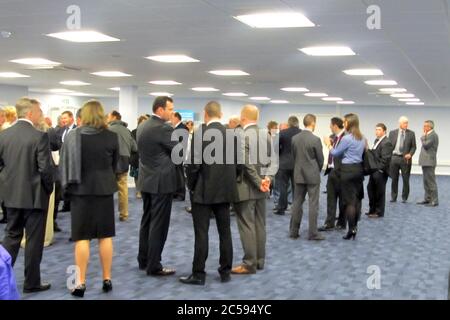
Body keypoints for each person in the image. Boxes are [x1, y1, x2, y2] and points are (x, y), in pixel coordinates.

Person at [60, 100, 119, 297]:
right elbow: (115, 166)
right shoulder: (111, 137)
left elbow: (64, 164)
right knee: (105, 236)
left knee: (82, 238)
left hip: (80, 191)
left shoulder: (73, 137)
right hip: (103, 190)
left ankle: (81, 282)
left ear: (83, 115)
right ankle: (107, 278)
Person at [180, 101, 237, 285]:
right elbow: (239, 165)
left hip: (203, 191)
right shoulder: (232, 135)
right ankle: (225, 272)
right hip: (225, 190)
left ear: (205, 114)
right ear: (220, 114)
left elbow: (193, 166)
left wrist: (192, 186)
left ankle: (198, 274)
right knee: (225, 232)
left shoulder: (199, 134)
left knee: (201, 233)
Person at [0, 97, 53, 293]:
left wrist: (7, 185)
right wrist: (48, 189)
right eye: (39, 111)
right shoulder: (39, 136)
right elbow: (46, 169)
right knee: (33, 240)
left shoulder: (3, 136)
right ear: (29, 113)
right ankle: (31, 283)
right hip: (35, 197)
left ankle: (1, 275)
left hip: (12, 196)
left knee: (11, 236)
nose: (41, 115)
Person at [137, 96, 178, 276]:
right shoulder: (163, 128)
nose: (172, 112)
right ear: (160, 110)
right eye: (169, 109)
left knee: (147, 220)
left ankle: (144, 259)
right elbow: (180, 152)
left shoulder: (143, 125)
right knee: (159, 225)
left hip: (146, 180)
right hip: (161, 182)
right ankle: (154, 265)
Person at [232, 104, 272, 275]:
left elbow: (245, 164)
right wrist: (267, 180)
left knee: (247, 225)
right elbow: (272, 161)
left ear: (243, 118)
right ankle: (259, 260)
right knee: (260, 224)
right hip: (262, 187)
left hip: (246, 187)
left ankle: (249, 263)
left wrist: (258, 182)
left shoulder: (241, 135)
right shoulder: (266, 135)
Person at [325, 113, 365, 240]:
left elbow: (336, 153)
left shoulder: (347, 138)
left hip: (347, 171)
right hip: (358, 170)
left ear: (349, 123)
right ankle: (354, 227)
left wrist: (328, 144)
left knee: (349, 202)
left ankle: (351, 229)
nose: (344, 124)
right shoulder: (362, 138)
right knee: (355, 200)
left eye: (345, 122)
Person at [289, 114, 325, 241]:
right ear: (313, 123)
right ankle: (313, 233)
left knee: (297, 203)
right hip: (313, 176)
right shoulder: (315, 139)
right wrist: (317, 170)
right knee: (313, 204)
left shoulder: (294, 138)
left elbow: (294, 156)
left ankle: (293, 231)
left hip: (298, 174)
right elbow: (321, 160)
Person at [107, 110, 137, 222]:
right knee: (123, 187)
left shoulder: (108, 130)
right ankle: (124, 214)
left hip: (111, 160)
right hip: (124, 160)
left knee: (107, 188)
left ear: (114, 117)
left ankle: (107, 214)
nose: (107, 118)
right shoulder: (127, 131)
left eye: (108, 116)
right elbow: (135, 148)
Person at [319, 117, 346, 231]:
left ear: (335, 125)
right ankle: (329, 223)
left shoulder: (345, 137)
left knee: (342, 199)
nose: (329, 127)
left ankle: (341, 222)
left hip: (342, 172)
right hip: (332, 171)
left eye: (330, 125)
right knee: (331, 198)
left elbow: (339, 153)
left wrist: (328, 145)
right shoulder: (334, 137)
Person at [274, 116, 301, 215]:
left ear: (289, 123)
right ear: (297, 123)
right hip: (297, 163)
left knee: (283, 187)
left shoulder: (283, 132)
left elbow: (275, 147)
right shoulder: (302, 133)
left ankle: (281, 208)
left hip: (284, 163)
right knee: (296, 187)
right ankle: (296, 208)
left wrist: (281, 154)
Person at [366, 123, 394, 218]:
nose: (376, 131)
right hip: (373, 170)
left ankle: (379, 212)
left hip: (380, 171)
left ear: (384, 131)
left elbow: (385, 160)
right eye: (376, 129)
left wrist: (379, 170)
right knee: (370, 189)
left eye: (379, 130)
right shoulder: (377, 141)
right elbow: (374, 155)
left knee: (379, 192)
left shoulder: (387, 142)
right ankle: (372, 209)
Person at [388, 116, 416, 203]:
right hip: (394, 158)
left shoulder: (411, 133)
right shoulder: (392, 133)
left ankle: (404, 197)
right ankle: (393, 197)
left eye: (407, 123)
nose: (406, 125)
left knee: (406, 179)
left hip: (405, 159)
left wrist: (410, 154)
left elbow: (414, 147)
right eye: (404, 123)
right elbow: (388, 146)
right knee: (394, 179)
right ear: (400, 123)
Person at [417, 120, 439, 207]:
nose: (423, 127)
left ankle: (434, 201)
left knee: (431, 182)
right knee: (426, 181)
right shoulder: (428, 135)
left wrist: (422, 137)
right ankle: (427, 199)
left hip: (429, 161)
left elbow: (426, 145)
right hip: (425, 161)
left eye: (425, 126)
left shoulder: (433, 135)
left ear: (430, 127)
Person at [171, 112, 189, 201]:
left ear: (177, 118)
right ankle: (175, 192)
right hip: (175, 154)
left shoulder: (182, 128)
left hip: (179, 154)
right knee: (175, 175)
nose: (171, 119)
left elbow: (182, 144)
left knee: (180, 175)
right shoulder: (177, 128)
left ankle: (181, 194)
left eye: (172, 118)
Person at [130, 115, 149, 199]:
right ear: (139, 123)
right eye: (142, 122)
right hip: (136, 157)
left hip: (147, 157)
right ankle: (138, 191)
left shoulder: (150, 132)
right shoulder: (133, 132)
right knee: (137, 175)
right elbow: (133, 145)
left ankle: (145, 190)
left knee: (146, 176)